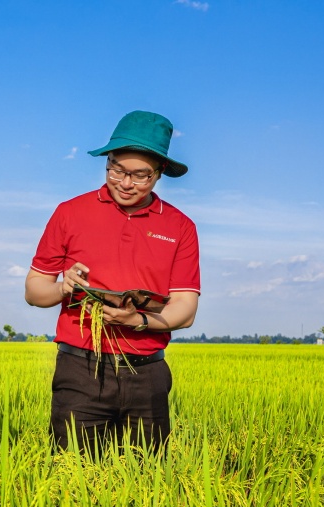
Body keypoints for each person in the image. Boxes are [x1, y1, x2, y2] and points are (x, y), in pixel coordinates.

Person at [24, 110, 200, 455]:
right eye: (116, 169)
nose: (125, 182)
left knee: (148, 481)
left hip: (146, 373)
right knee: (72, 476)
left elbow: (186, 309)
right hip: (80, 370)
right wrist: (63, 286)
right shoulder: (70, 212)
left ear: (160, 173)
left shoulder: (180, 227)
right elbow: (34, 291)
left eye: (140, 176)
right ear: (108, 160)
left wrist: (137, 321)